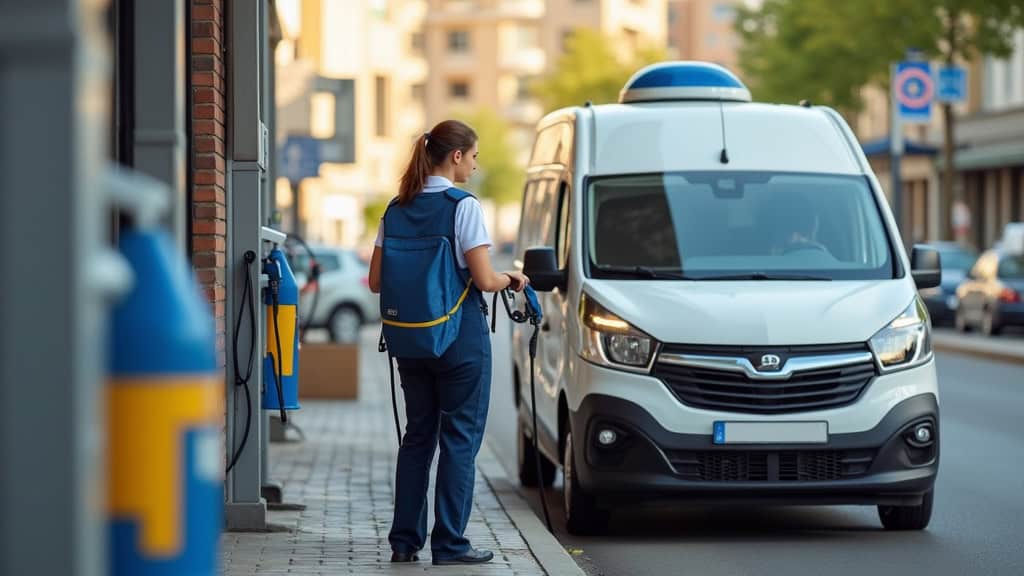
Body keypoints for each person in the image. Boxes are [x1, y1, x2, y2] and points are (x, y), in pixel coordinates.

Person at [367, 120, 529, 566]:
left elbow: (376, 281)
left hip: (411, 341)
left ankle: (404, 542)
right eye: (473, 157)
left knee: (417, 437)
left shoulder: (395, 208)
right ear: (455, 156)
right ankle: (451, 544)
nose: (475, 167)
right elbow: (483, 278)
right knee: (459, 439)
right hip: (459, 340)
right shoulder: (464, 206)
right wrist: (511, 278)